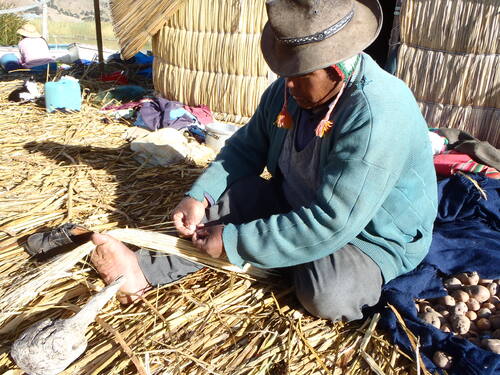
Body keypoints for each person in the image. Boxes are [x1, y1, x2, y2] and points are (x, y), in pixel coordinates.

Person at [90, 0, 438, 321]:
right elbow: (246, 148)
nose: (287, 85)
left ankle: (282, 249)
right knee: (228, 204)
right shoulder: (290, 93)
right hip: (295, 202)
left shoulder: (378, 113)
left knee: (328, 294)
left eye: (298, 75)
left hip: (368, 236)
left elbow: (335, 220)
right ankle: (142, 270)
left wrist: (236, 242)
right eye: (285, 73)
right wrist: (200, 196)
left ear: (334, 69)